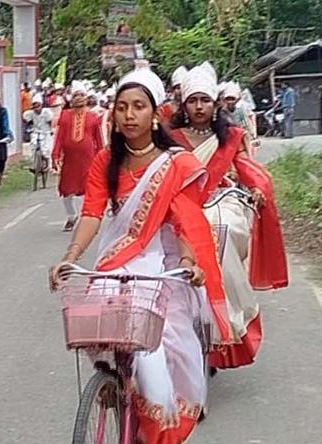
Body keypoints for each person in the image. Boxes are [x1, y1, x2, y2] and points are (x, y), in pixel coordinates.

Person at [50, 67, 231, 443]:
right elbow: (92, 213)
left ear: (155, 114)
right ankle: (113, 388)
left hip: (163, 264)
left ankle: (156, 425)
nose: (129, 115)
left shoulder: (176, 163)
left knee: (155, 362)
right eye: (121, 107)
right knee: (99, 326)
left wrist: (186, 262)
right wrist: (71, 256)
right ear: (113, 114)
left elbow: (184, 222)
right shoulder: (106, 160)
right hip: (116, 261)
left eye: (138, 107)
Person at [170, 63, 288, 370]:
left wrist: (256, 187)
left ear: (215, 104)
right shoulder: (170, 137)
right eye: (193, 101)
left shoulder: (231, 137)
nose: (199, 107)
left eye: (204, 101)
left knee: (220, 226)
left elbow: (247, 167)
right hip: (178, 204)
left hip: (217, 203)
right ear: (184, 104)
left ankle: (223, 314)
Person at [51, 80, 104, 231]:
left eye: (82, 95)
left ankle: (88, 217)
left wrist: (102, 157)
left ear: (86, 98)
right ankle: (71, 216)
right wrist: (55, 155)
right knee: (66, 189)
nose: (79, 98)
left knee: (90, 189)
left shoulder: (93, 117)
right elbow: (60, 137)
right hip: (69, 160)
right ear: (71, 98)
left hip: (88, 160)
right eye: (76, 95)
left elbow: (99, 140)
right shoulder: (65, 116)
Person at [220, 82, 259, 155]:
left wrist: (254, 135)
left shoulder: (241, 110)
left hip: (243, 139)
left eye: (232, 99)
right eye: (228, 99)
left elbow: (247, 124)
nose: (230, 102)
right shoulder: (222, 112)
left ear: (237, 99)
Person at [23, 92, 54, 167]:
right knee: (34, 145)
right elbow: (27, 121)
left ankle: (47, 164)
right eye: (35, 106)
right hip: (36, 131)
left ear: (41, 105)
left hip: (45, 132)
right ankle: (35, 165)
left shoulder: (46, 113)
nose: (37, 108)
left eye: (38, 106)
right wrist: (28, 128)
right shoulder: (31, 113)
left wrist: (51, 129)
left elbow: (50, 121)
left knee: (46, 149)